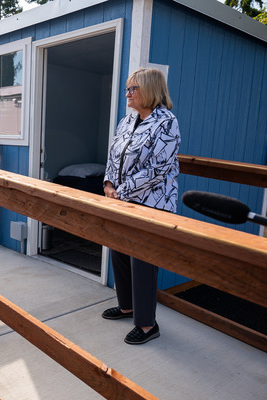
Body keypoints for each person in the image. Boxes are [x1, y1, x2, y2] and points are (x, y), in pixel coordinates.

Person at [101, 68, 180, 345]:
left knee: (142, 261)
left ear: (150, 90)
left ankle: (147, 325)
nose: (128, 93)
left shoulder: (166, 122)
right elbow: (113, 155)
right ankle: (127, 306)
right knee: (119, 251)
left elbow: (157, 170)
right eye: (127, 88)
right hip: (122, 199)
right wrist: (109, 184)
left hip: (152, 203)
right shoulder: (127, 121)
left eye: (133, 88)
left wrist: (120, 191)